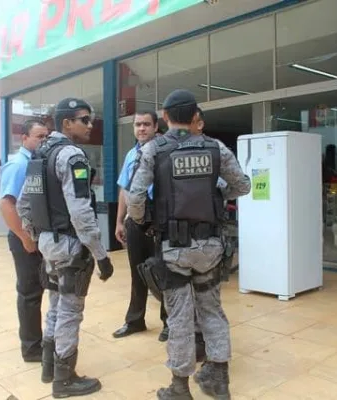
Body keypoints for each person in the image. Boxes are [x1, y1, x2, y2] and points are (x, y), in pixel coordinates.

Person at [127, 89, 251, 399]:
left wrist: (144, 222)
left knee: (180, 318)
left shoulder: (153, 149)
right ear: (195, 116)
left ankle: (180, 388)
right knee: (212, 311)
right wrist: (215, 195)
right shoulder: (215, 148)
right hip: (209, 245)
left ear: (165, 117)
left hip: (174, 249)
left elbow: (135, 198)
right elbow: (243, 186)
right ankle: (219, 380)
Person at [17, 98, 114, 398]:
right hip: (70, 245)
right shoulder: (72, 156)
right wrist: (101, 255)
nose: (90, 125)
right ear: (67, 123)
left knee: (56, 305)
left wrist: (36, 234)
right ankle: (64, 378)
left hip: (49, 244)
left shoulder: (40, 154)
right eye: (84, 119)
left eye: (90, 119)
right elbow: (81, 213)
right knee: (71, 311)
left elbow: (24, 204)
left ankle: (49, 367)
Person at [113, 110, 169, 342]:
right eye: (137, 125)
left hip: (160, 221)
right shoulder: (131, 155)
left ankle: (169, 323)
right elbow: (124, 189)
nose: (141, 129)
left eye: (146, 124)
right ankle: (135, 320)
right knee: (138, 273)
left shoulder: (166, 152)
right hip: (136, 222)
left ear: (156, 127)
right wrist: (119, 221)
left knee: (164, 272)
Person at [0, 118, 49, 363]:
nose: (43, 141)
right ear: (25, 138)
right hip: (25, 238)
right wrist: (24, 238)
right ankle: (31, 348)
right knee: (29, 292)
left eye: (46, 137)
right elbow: (6, 204)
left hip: (38, 237)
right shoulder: (18, 165)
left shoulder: (36, 162)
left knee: (39, 289)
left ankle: (38, 340)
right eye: (39, 136)